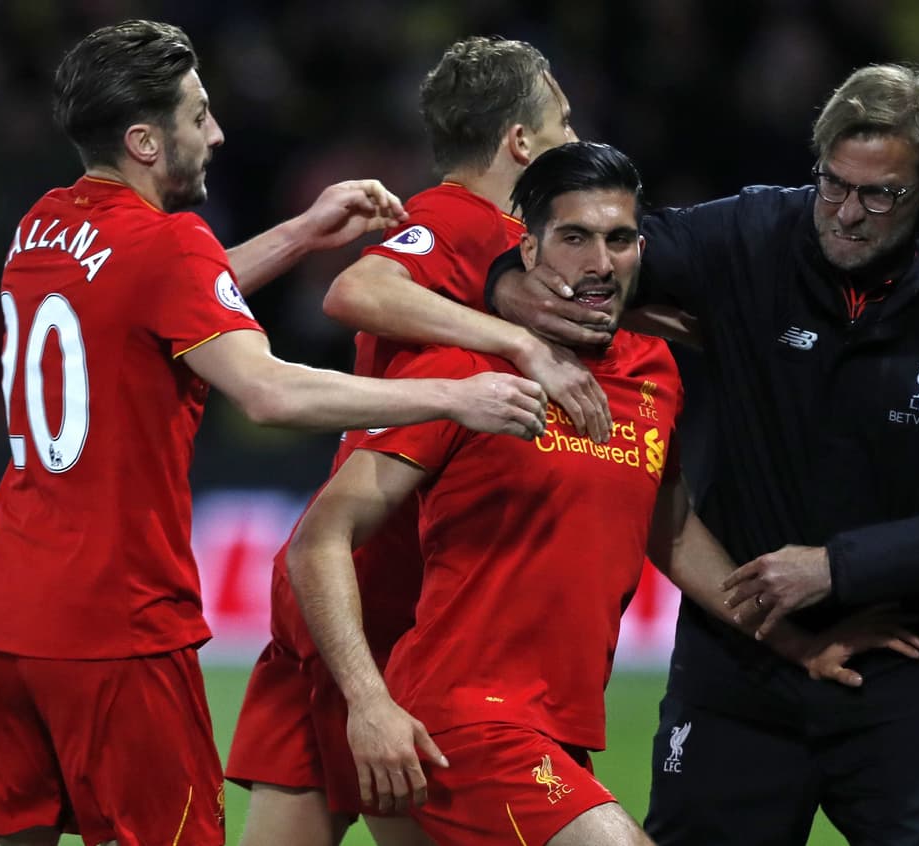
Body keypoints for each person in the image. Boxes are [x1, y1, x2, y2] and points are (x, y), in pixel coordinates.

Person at [0, 20, 549, 846]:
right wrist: (453, 396)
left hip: (4, 624)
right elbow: (267, 391)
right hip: (119, 627)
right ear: (144, 142)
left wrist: (302, 232)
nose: (216, 134)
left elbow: (160, 296)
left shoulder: (43, 226)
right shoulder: (170, 244)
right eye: (198, 115)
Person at [290, 141, 919, 846]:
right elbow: (320, 538)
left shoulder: (654, 370)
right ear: (528, 251)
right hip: (467, 717)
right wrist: (368, 701)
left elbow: (672, 531)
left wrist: (795, 643)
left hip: (559, 729)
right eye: (574, 238)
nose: (600, 262)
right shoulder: (468, 368)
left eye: (619, 239)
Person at [489, 65, 919, 846]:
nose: (846, 214)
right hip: (740, 663)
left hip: (903, 667)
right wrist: (510, 291)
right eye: (834, 184)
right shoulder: (752, 232)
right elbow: (584, 257)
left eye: (878, 195)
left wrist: (835, 567)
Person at [224, 36, 602, 846]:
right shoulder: (458, 219)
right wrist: (521, 344)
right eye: (563, 123)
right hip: (370, 598)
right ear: (520, 141)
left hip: (384, 598)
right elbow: (355, 288)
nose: (576, 139)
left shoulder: (527, 243)